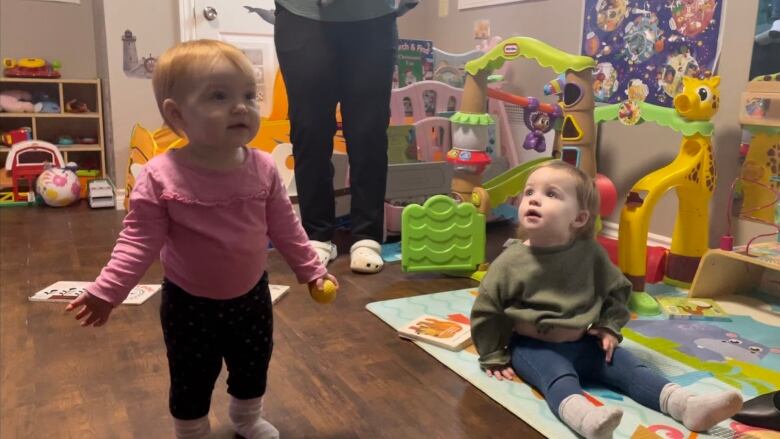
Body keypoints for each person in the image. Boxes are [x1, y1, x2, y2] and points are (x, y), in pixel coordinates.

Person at [65, 40, 338, 439]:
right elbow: (137, 243)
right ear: (177, 114)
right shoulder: (160, 177)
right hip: (189, 303)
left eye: (248, 95)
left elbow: (286, 227)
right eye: (219, 96)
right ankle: (191, 431)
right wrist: (107, 291)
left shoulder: (263, 168)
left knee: (253, 363)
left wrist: (312, 270)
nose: (241, 106)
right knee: (191, 375)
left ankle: (246, 419)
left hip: (251, 295)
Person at [470, 161, 742, 439]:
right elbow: (487, 309)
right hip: (534, 347)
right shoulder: (510, 262)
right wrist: (493, 354)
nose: (534, 199)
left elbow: (617, 290)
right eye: (529, 193)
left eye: (551, 194)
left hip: (585, 341)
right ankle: (587, 419)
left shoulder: (590, 253)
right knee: (558, 376)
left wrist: (609, 326)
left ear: (579, 218)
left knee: (631, 368)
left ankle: (687, 405)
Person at [274, 0, 418, 274]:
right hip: (301, 13)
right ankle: (317, 235)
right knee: (309, 129)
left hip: (373, 14)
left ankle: (367, 235)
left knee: (369, 132)